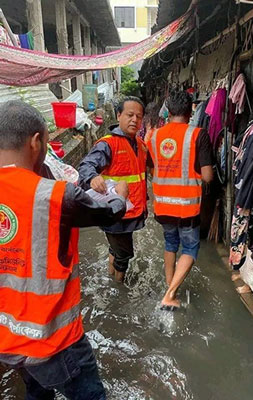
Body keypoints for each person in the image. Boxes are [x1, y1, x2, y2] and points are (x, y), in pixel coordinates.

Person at [0, 100, 129, 400]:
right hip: (52, 340)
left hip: (8, 336)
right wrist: (120, 195)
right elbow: (108, 213)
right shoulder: (57, 196)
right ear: (36, 142)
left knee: (37, 391)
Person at [147, 91, 214, 310]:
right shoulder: (198, 135)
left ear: (168, 110)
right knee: (190, 248)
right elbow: (207, 176)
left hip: (163, 204)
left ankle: (169, 285)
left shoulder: (154, 136)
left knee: (170, 243)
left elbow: (150, 169)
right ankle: (170, 294)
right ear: (191, 110)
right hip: (186, 206)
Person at [79, 96, 147, 283]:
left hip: (131, 210)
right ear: (118, 115)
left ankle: (111, 275)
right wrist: (93, 177)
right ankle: (119, 287)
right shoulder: (107, 144)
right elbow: (86, 166)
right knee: (124, 254)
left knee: (116, 249)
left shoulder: (141, 145)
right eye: (130, 115)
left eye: (139, 117)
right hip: (115, 212)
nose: (135, 120)